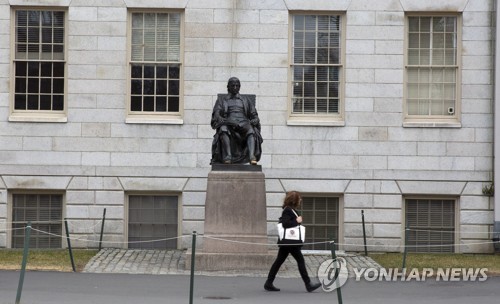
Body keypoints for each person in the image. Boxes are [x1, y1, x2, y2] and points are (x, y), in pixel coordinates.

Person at [264, 191, 322, 292]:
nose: (300, 200)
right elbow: (285, 224)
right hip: (291, 241)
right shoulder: (288, 210)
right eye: (299, 198)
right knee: (300, 260)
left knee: (279, 261)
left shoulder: (290, 209)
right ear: (294, 200)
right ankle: (308, 284)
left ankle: (268, 283)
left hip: (288, 241)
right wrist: (297, 221)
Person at [210, 77, 263, 165]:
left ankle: (252, 157)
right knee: (223, 129)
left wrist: (255, 119)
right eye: (233, 85)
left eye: (237, 86)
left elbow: (254, 114)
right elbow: (217, 112)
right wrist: (219, 117)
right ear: (228, 87)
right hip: (229, 123)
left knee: (251, 130)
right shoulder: (222, 100)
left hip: (243, 123)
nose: (235, 87)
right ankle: (228, 157)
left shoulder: (245, 100)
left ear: (239, 87)